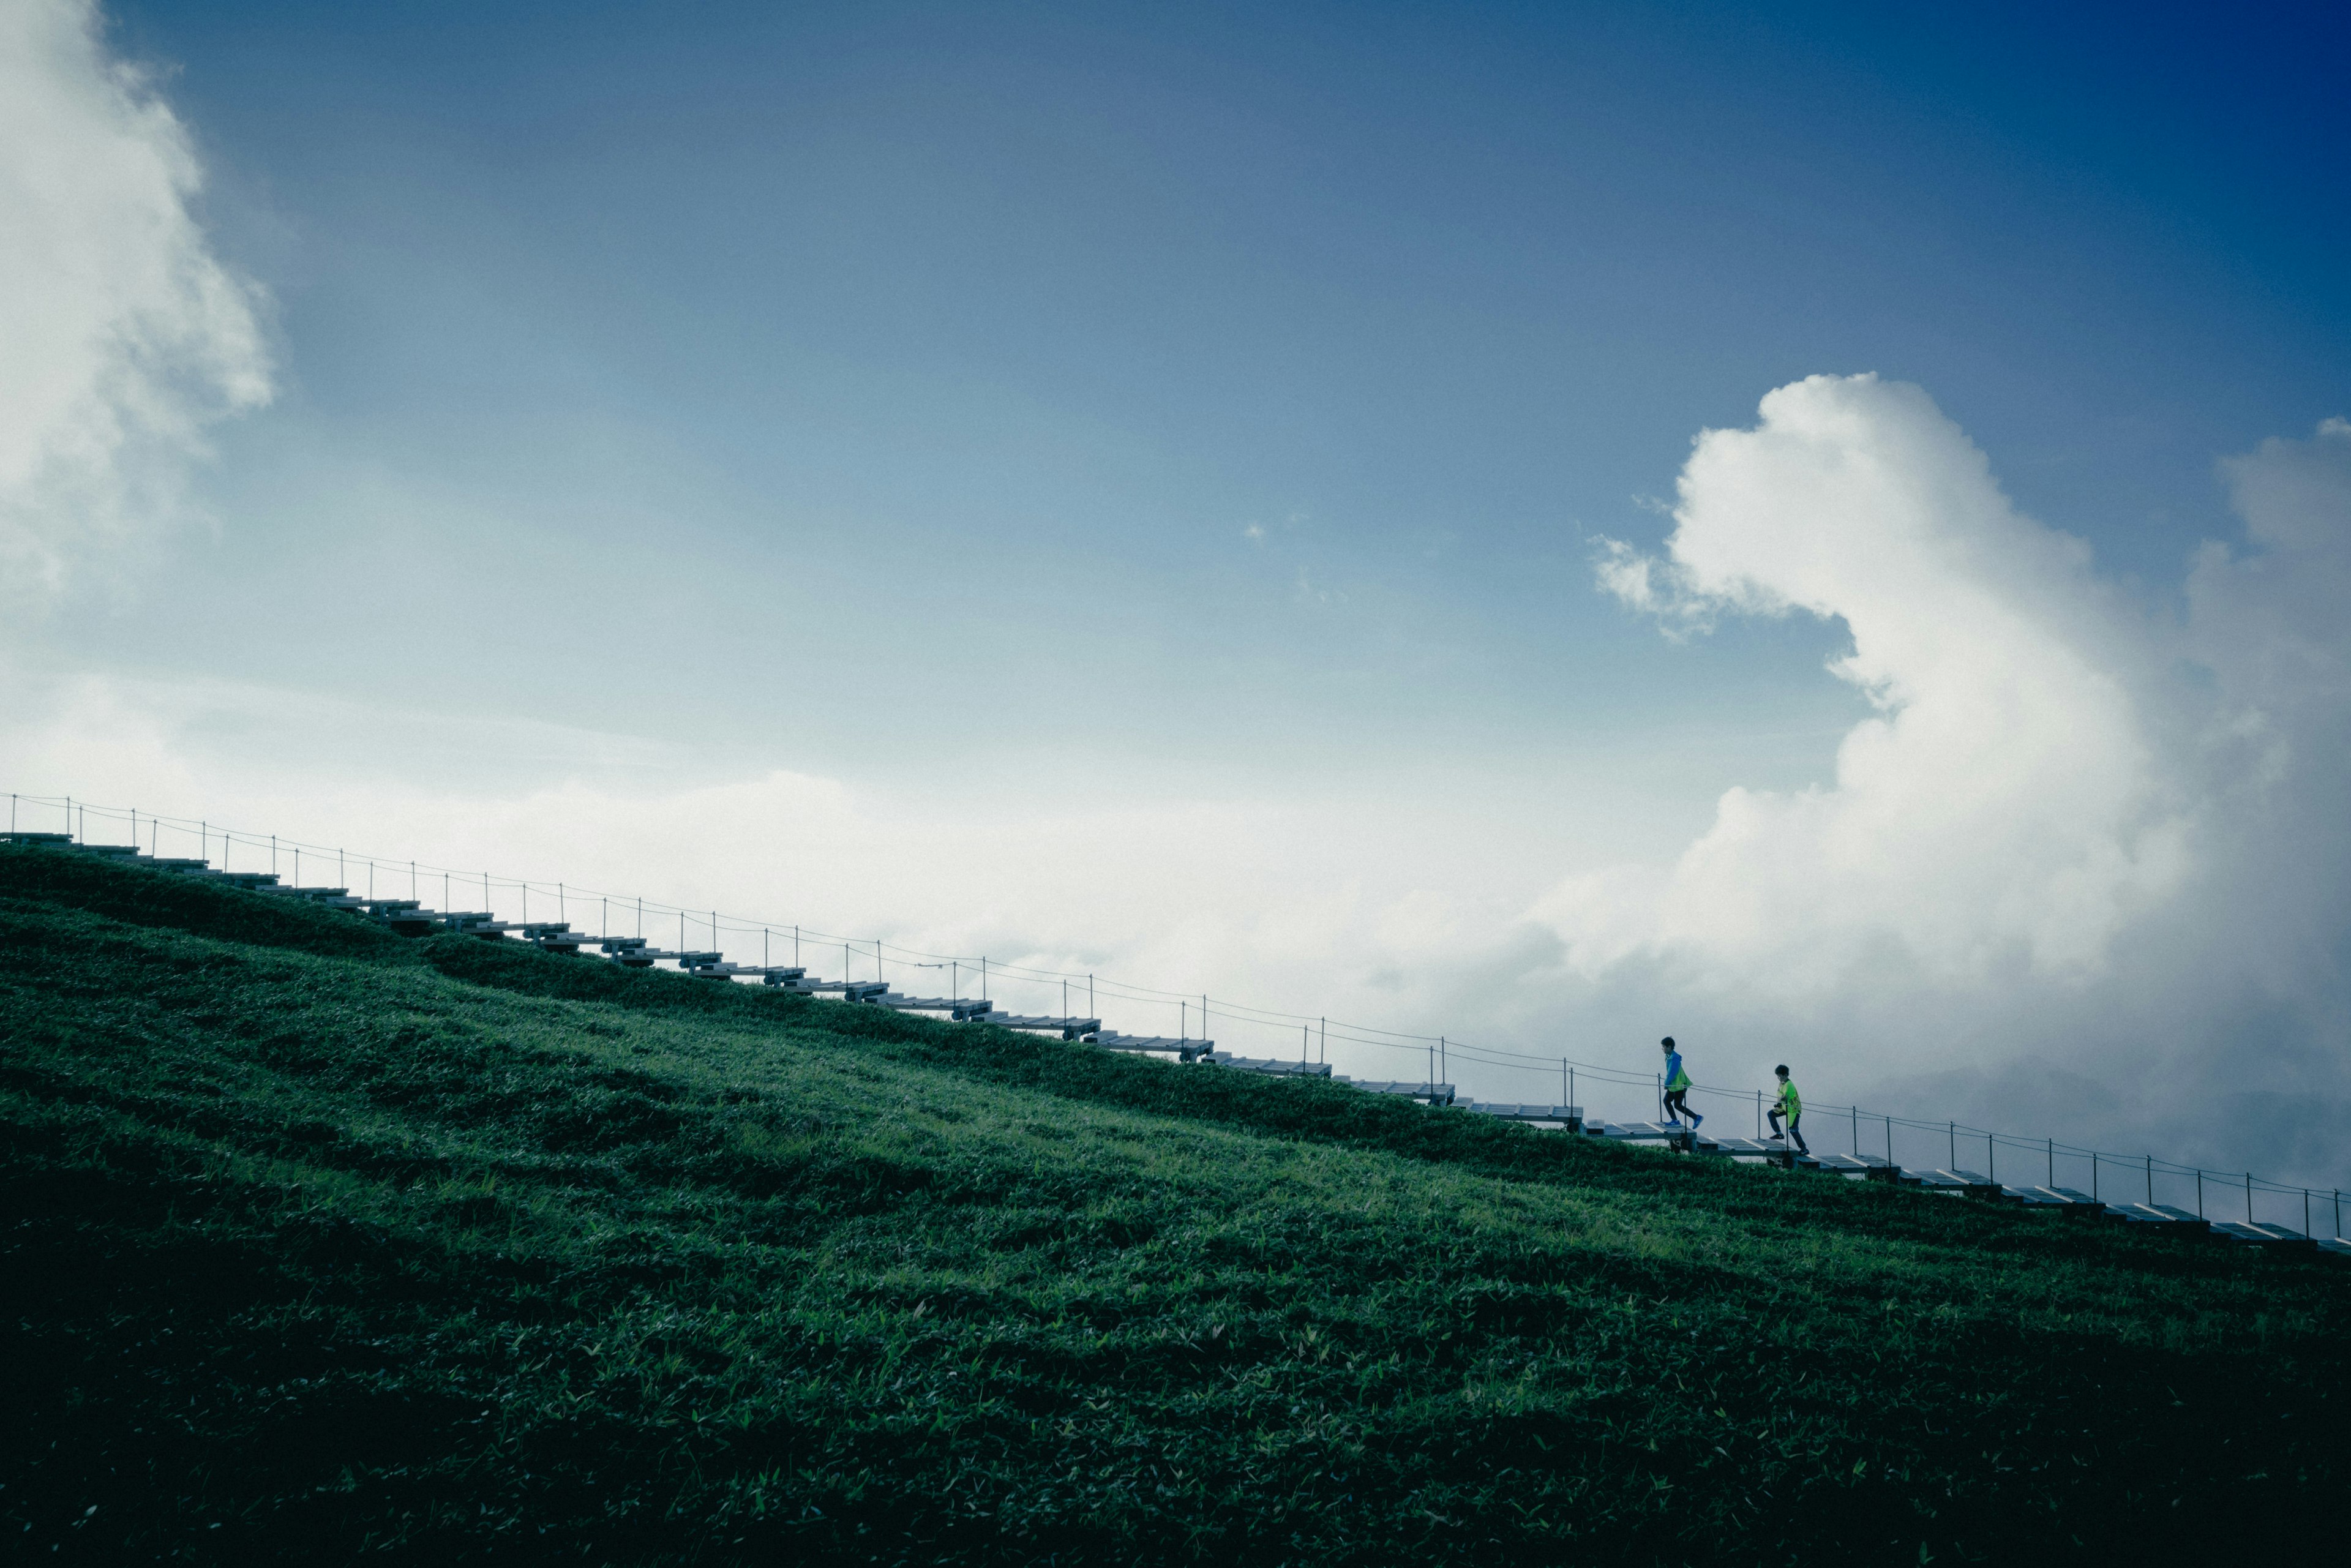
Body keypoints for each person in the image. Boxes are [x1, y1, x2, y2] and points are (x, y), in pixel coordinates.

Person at [1659, 1037, 1701, 1128]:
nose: (1662, 1049)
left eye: (1663, 1047)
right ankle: (1676, 1120)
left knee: (1675, 1104)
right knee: (1669, 1102)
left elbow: (1672, 1073)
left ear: (1669, 1047)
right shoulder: (1669, 1056)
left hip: (1680, 1085)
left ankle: (1695, 1117)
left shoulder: (1674, 1059)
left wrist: (1666, 1083)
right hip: (1676, 1085)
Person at [1766, 1064, 1807, 1153]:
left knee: (1793, 1130)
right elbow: (1779, 1095)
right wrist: (1779, 1103)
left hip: (1794, 1110)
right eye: (1778, 1077)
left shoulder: (1789, 1085)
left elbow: (1783, 1097)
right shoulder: (1782, 1084)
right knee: (1771, 1114)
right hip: (1784, 1108)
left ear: (1785, 1075)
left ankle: (1804, 1149)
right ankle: (1779, 1134)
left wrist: (1780, 1100)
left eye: (1780, 1077)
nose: (1779, 1079)